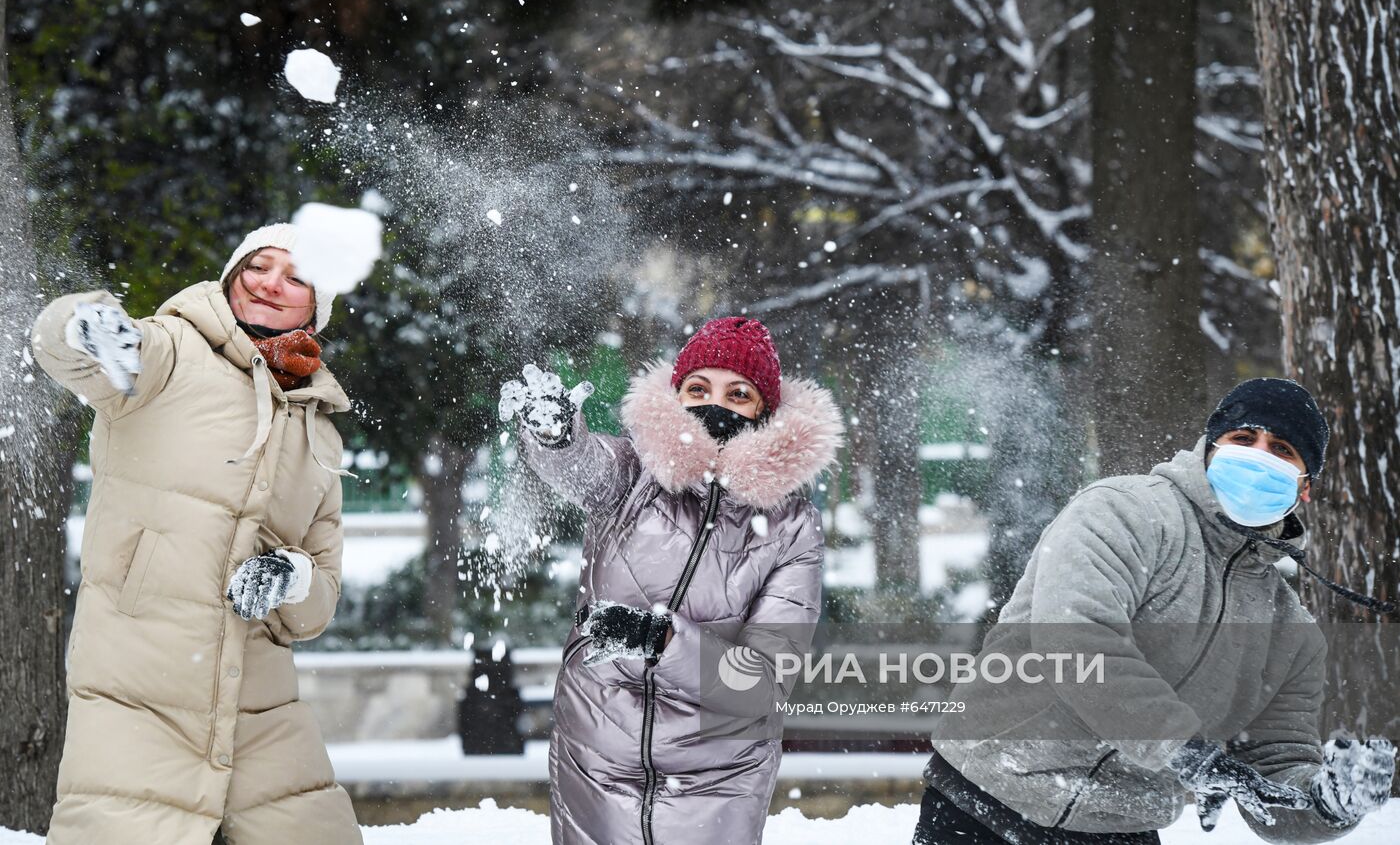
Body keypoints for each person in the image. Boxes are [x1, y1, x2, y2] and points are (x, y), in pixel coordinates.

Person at [916, 377, 1396, 844]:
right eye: (1244, 437)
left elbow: (1274, 773)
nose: (1257, 455)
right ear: (1210, 446)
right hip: (988, 797)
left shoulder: (1291, 634)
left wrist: (1329, 803)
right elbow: (1077, 640)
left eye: (1282, 450)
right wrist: (1186, 751)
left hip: (1120, 827)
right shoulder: (1123, 511)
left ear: (1305, 485)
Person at [31, 224, 362, 845]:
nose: (271, 284)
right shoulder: (170, 351)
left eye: (296, 278)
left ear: (318, 309)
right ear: (233, 276)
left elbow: (319, 604)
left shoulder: (320, 433)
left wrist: (292, 577)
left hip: (261, 712)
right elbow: (67, 347)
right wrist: (87, 325)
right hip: (136, 694)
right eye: (259, 267)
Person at [499, 316, 843, 845]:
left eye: (739, 393)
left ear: (765, 412)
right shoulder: (631, 475)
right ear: (674, 395)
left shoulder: (789, 526)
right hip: (594, 759)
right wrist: (557, 434)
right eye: (698, 388)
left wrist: (660, 641)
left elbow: (763, 685)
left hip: (721, 778)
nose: (715, 405)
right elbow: (582, 464)